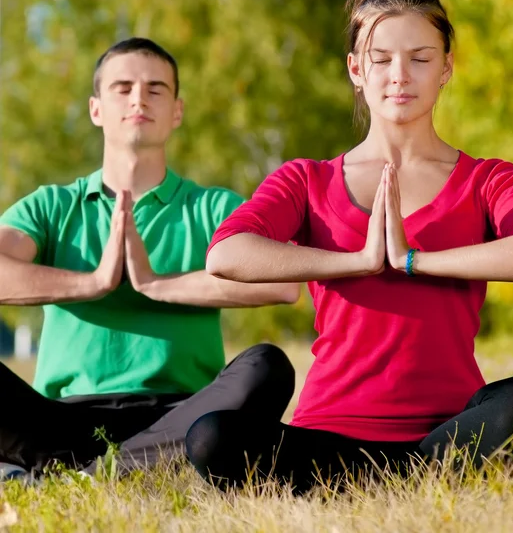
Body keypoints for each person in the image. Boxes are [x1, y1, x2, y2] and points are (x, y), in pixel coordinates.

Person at [184, 0, 513, 493]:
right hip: (330, 433)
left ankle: (391, 476)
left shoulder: (487, 178)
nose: (399, 76)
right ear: (355, 69)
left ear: (446, 68)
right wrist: (358, 262)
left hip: (447, 428)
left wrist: (413, 259)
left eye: (419, 58)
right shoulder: (307, 179)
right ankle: (407, 479)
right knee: (211, 438)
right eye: (382, 58)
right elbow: (226, 253)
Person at [0, 37, 300, 477]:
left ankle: (88, 474)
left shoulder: (212, 208)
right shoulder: (51, 206)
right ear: (95, 109)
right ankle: (110, 468)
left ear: (176, 111)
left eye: (156, 88)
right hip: (63, 420)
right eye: (122, 87)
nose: (139, 97)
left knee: (267, 365)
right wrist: (94, 283)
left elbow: (283, 280)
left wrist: (157, 284)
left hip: (179, 417)